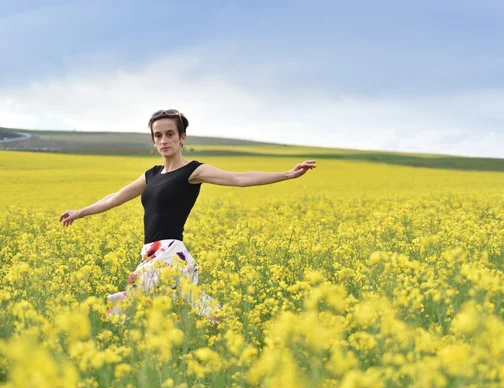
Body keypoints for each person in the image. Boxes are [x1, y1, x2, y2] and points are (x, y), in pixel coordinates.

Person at [59, 109, 316, 322]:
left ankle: (108, 329)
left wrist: (286, 174)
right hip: (151, 252)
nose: (163, 140)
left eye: (170, 134)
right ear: (153, 141)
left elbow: (239, 178)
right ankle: (223, 323)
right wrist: (79, 212)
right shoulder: (151, 175)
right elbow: (114, 197)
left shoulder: (192, 171)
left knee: (132, 298)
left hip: (171, 253)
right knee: (186, 305)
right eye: (157, 136)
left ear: (182, 138)